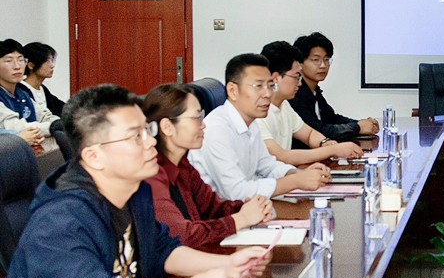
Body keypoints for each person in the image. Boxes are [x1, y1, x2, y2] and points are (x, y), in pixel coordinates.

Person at [0, 84, 270, 278]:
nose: (151, 141)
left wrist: (225, 265)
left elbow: (161, 248)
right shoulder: (59, 220)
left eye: (147, 130)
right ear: (94, 156)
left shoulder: (135, 190)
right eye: (136, 136)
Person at [143, 84, 274, 248]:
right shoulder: (151, 175)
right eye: (196, 118)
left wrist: (250, 208)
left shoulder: (182, 165)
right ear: (167, 127)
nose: (203, 124)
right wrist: (241, 219)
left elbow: (212, 208)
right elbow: (182, 235)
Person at [188, 53, 332, 201]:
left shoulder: (250, 122)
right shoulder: (216, 129)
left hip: (244, 209)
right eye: (258, 86)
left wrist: (298, 174)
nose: (268, 94)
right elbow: (236, 192)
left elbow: (268, 166)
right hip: (218, 212)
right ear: (232, 91)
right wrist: (295, 181)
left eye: (270, 86)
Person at [259, 41, 363, 165]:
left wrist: (325, 143)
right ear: (276, 78)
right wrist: (332, 150)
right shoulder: (257, 113)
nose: (299, 83)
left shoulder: (284, 105)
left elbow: (309, 134)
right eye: (296, 77)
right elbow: (281, 157)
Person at [289, 32, 378, 143]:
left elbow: (332, 118)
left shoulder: (314, 91)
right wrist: (358, 127)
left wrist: (362, 123)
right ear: (300, 64)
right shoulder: (295, 94)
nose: (323, 65)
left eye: (327, 59)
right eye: (316, 60)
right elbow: (318, 131)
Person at [0, 39, 57, 153]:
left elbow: (44, 116)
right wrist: (55, 127)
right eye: (9, 61)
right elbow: (16, 127)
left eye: (21, 60)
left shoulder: (22, 94)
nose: (17, 66)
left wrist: (60, 124)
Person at [19, 42, 64, 117]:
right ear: (31, 65)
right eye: (47, 61)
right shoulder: (19, 90)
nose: (52, 66)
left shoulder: (44, 90)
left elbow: (64, 109)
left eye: (52, 61)